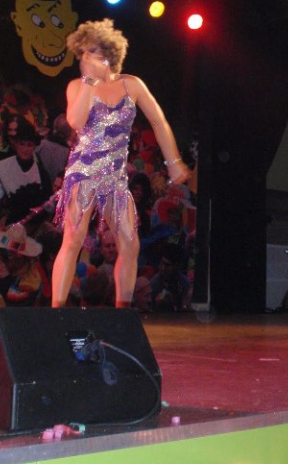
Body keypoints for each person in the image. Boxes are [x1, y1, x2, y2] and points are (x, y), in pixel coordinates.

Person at [52, 18, 190, 309]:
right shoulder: (77, 86)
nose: (85, 58)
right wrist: (90, 82)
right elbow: (75, 121)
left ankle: (122, 311)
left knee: (130, 242)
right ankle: (57, 310)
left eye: (91, 52)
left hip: (114, 177)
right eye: (82, 53)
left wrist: (174, 161)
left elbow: (158, 121)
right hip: (84, 172)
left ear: (108, 54)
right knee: (73, 238)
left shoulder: (132, 84)